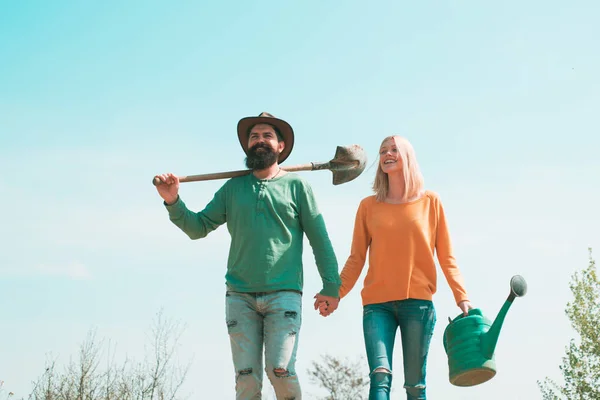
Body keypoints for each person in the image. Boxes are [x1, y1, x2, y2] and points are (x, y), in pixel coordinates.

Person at [154, 112, 341, 400]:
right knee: (246, 380)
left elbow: (320, 240)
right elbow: (198, 227)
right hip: (239, 296)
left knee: (281, 369)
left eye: (267, 135)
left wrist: (331, 286)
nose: (259, 140)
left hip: (284, 294)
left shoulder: (297, 186)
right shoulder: (232, 189)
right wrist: (172, 200)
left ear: (280, 146)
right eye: (254, 137)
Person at [318, 135, 473, 400]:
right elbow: (356, 258)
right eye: (382, 151)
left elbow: (447, 257)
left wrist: (462, 297)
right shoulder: (368, 207)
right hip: (377, 306)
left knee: (415, 386)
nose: (387, 154)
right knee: (380, 376)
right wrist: (336, 292)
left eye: (394, 150)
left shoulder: (431, 202)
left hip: (418, 305)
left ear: (408, 157)